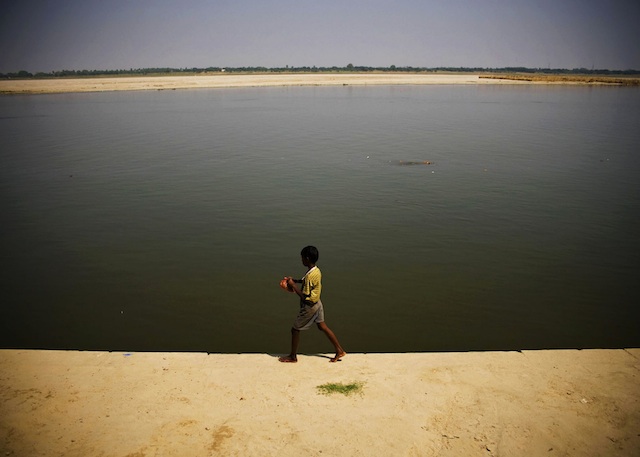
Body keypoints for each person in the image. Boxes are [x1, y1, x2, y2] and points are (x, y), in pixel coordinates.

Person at [279, 246, 346, 363]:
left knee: (295, 329)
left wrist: (293, 286)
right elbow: (306, 281)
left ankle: (292, 356)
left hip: (310, 306)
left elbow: (305, 298)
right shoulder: (315, 270)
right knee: (322, 326)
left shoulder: (310, 276)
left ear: (307, 258)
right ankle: (339, 350)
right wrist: (294, 280)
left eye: (302, 258)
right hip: (318, 303)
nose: (301, 260)